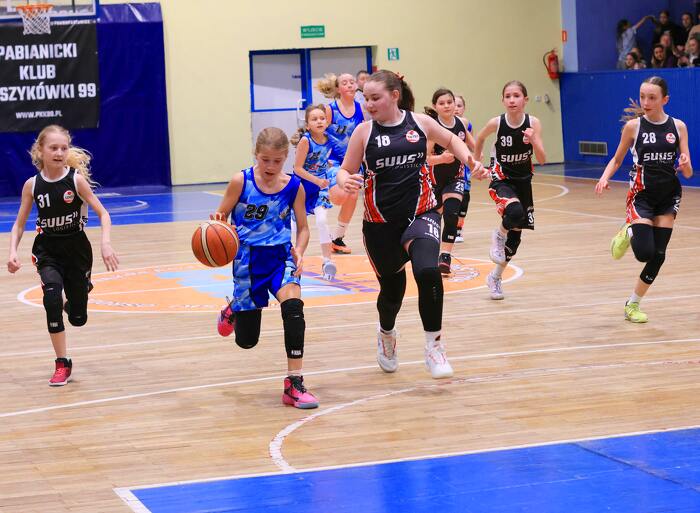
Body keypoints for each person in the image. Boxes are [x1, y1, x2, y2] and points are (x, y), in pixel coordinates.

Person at [336, 70, 485, 379]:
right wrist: (344, 180)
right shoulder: (364, 132)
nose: (369, 104)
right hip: (380, 224)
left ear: (395, 95)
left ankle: (435, 347)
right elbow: (345, 169)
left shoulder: (420, 123)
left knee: (428, 272)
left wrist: (470, 161)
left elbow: (452, 140)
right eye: (366, 99)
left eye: (375, 98)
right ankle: (386, 334)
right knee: (393, 294)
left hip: (422, 212)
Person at [6, 125, 119, 386]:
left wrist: (105, 243)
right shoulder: (32, 185)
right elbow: (19, 225)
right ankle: (62, 362)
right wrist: (12, 251)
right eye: (53, 148)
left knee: (78, 318)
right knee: (52, 299)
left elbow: (104, 214)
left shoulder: (75, 180)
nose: (59, 152)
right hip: (48, 251)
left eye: (63, 148)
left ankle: (78, 297)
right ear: (40, 150)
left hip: (77, 250)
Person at [214, 127, 318, 409]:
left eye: (277, 161)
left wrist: (299, 250)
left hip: (281, 257)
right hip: (248, 260)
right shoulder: (241, 181)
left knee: (294, 308)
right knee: (247, 341)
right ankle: (233, 309)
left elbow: (303, 228)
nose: (271, 166)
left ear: (286, 157)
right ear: (255, 155)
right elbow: (221, 217)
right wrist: (217, 227)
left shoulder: (293, 186)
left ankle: (294, 383)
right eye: (265, 160)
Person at [595, 76, 693, 323]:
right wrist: (604, 178)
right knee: (644, 253)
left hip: (668, 196)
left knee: (658, 255)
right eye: (642, 97)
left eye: (652, 98)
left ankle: (632, 304)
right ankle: (629, 230)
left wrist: (685, 163)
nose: (646, 102)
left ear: (665, 100)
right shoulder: (634, 127)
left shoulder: (678, 127)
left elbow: (689, 172)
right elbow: (617, 159)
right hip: (642, 195)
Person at [474, 81, 546, 301]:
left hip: (524, 182)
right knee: (514, 212)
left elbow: (542, 159)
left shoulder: (533, 123)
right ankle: (498, 235)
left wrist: (534, 140)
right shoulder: (497, 123)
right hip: (501, 178)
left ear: (525, 99)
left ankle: (495, 277)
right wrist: (477, 163)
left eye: (516, 96)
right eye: (508, 96)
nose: (512, 100)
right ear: (503, 100)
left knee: (514, 240)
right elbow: (480, 138)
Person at [424, 88, 475, 274]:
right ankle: (428, 251)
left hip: (455, 178)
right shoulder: (433, 127)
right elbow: (424, 159)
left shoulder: (461, 124)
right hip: (434, 180)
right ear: (435, 106)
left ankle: (445, 256)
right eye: (441, 103)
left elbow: (474, 147)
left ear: (455, 104)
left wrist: (476, 162)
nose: (446, 106)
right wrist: (441, 159)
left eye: (449, 102)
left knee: (452, 214)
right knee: (432, 220)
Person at [317, 72, 366, 255]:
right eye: (345, 82)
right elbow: (319, 133)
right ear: (338, 88)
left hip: (353, 162)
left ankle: (337, 238)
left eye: (352, 82)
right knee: (342, 195)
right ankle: (318, 197)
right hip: (333, 161)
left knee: (351, 194)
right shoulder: (330, 110)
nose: (350, 85)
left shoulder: (361, 109)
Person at [291, 105, 337, 281]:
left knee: (322, 220)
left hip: (320, 188)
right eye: (314, 119)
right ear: (307, 125)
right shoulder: (306, 141)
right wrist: (317, 180)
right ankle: (293, 260)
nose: (319, 121)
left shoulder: (330, 139)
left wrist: (330, 167)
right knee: (294, 226)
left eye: (322, 118)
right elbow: (297, 168)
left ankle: (327, 261)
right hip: (302, 187)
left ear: (327, 122)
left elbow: (327, 159)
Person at [453, 94, 473, 244]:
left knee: (464, 198)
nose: (456, 108)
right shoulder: (440, 124)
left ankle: (458, 228)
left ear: (464, 108)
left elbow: (472, 145)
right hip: (446, 165)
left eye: (459, 106)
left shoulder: (466, 124)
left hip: (463, 166)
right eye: (454, 105)